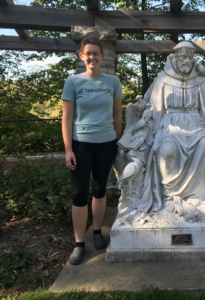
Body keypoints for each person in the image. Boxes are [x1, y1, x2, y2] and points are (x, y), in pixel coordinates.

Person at [115, 41, 205, 220]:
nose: (186, 60)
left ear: (193, 59)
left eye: (189, 56)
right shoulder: (163, 79)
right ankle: (171, 198)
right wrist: (143, 114)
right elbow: (153, 109)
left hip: (196, 125)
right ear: (175, 58)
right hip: (170, 126)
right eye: (183, 56)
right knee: (166, 151)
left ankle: (199, 198)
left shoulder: (200, 81)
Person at [61, 37, 122, 265]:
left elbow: (117, 114)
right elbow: (67, 118)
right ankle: (79, 244)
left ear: (102, 57)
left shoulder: (112, 81)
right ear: (82, 56)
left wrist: (116, 140)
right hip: (80, 144)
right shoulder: (73, 81)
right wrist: (69, 149)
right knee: (79, 195)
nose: (92, 57)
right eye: (88, 53)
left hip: (106, 144)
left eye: (96, 53)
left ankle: (97, 232)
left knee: (99, 190)